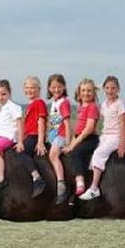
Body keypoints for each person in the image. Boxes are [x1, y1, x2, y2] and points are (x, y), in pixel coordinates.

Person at [80, 75, 125, 200]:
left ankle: (94, 188)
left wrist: (122, 143)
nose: (110, 91)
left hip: (115, 137)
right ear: (104, 89)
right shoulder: (104, 104)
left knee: (99, 154)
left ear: (118, 89)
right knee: (90, 152)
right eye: (107, 88)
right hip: (105, 135)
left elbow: (123, 124)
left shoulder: (120, 104)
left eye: (113, 88)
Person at [63, 78, 100, 199]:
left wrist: (73, 146)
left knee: (76, 152)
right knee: (70, 155)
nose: (86, 93)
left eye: (89, 91)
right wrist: (70, 144)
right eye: (83, 90)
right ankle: (74, 189)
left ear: (93, 93)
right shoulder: (81, 107)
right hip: (80, 137)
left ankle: (80, 182)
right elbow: (77, 131)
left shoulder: (92, 107)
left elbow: (88, 129)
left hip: (89, 138)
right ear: (79, 92)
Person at [0, 79, 24, 193]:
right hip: (1, 135)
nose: (0, 97)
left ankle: (0, 179)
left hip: (10, 136)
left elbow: (19, 124)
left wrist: (20, 141)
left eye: (3, 94)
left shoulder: (13, 107)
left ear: (9, 93)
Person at [46, 74, 72, 204]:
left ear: (64, 87)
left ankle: (61, 185)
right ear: (49, 88)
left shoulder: (63, 102)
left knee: (53, 155)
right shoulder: (54, 102)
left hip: (61, 135)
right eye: (53, 87)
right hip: (54, 135)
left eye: (59, 87)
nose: (56, 90)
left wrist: (68, 142)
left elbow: (67, 123)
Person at [21, 76, 47, 197]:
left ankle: (36, 177)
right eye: (27, 88)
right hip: (28, 136)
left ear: (39, 89)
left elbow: (41, 122)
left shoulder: (39, 103)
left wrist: (40, 141)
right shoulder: (30, 105)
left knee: (21, 152)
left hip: (34, 136)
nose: (29, 90)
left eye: (32, 88)